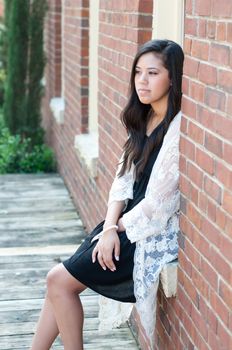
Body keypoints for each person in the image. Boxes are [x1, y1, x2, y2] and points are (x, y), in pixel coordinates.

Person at [30, 39, 184, 350]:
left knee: (59, 281)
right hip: (122, 226)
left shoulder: (177, 128)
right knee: (57, 283)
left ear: (173, 78)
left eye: (153, 73)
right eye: (138, 72)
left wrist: (116, 230)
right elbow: (122, 181)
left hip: (145, 234)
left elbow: (155, 204)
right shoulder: (144, 118)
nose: (142, 80)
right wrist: (109, 226)